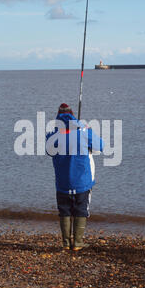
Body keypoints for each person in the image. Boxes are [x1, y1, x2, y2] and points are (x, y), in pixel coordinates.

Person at [46, 103, 104, 251]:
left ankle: (66, 243)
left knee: (64, 210)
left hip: (63, 183)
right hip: (82, 182)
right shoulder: (83, 132)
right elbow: (101, 146)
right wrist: (85, 129)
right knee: (81, 210)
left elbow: (49, 150)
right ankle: (77, 242)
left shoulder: (53, 136)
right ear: (72, 115)